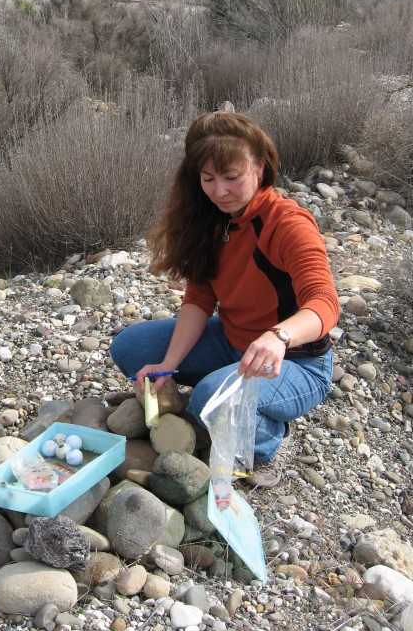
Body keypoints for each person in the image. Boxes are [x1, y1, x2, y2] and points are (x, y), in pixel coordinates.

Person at [110, 112, 340, 488]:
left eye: (232, 178)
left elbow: (325, 302)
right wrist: (169, 364)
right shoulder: (213, 218)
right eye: (208, 179)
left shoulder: (287, 224)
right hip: (233, 342)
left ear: (260, 167)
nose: (220, 191)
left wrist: (278, 337)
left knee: (208, 398)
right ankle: (214, 399)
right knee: (131, 349)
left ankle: (265, 443)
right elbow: (200, 297)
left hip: (298, 362)